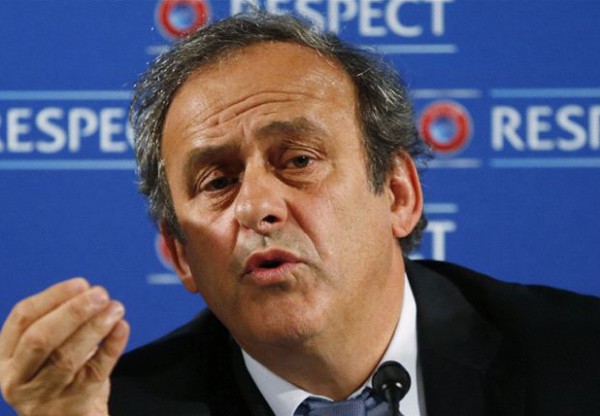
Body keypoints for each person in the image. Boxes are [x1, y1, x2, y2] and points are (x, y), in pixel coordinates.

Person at [1, 11, 599, 416]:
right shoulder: (113, 408)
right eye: (218, 181)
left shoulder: (579, 359)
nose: (258, 207)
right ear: (181, 255)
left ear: (397, 194)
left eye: (299, 160)